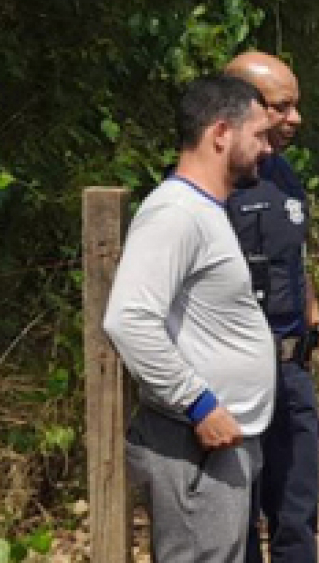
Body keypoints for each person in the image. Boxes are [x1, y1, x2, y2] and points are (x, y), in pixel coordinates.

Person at [103, 74, 275, 562]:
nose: (266, 149)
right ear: (221, 133)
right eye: (258, 134)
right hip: (195, 445)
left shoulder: (204, 211)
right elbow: (128, 319)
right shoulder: (175, 214)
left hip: (221, 443)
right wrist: (197, 403)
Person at [224, 51, 319, 563]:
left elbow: (294, 262)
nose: (294, 119)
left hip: (291, 373)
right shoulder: (206, 190)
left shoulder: (285, 177)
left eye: (295, 106)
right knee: (238, 523)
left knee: (297, 518)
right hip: (233, 379)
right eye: (281, 107)